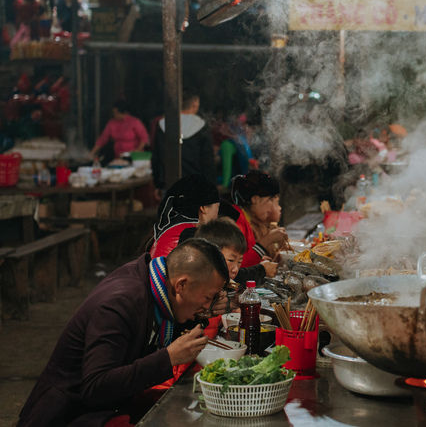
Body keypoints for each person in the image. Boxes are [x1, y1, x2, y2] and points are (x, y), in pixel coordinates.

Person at [17, 239, 228, 427]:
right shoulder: (121, 303)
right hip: (69, 414)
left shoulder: (155, 286)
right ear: (181, 285)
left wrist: (202, 314)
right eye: (208, 298)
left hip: (107, 406)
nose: (208, 305)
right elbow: (95, 386)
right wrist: (168, 358)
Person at [151, 89, 216, 199]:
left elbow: (156, 157)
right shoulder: (201, 126)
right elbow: (207, 162)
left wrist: (158, 183)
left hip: (169, 187)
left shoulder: (163, 124)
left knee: (171, 216)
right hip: (196, 187)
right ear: (195, 102)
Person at [150, 174, 219, 259]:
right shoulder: (190, 237)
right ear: (204, 208)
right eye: (217, 208)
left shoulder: (172, 228)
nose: (217, 215)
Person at [230, 170, 288, 270]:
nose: (271, 206)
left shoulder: (245, 219)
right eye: (270, 200)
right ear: (255, 199)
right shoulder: (237, 223)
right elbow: (235, 265)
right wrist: (267, 240)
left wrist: (260, 260)